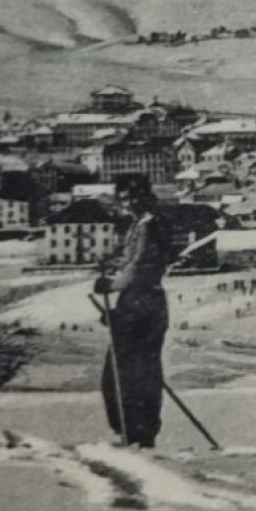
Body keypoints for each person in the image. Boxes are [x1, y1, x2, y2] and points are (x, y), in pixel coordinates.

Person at [95, 174, 173, 448]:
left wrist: (112, 285)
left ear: (146, 195)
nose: (131, 202)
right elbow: (130, 265)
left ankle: (138, 433)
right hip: (137, 303)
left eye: (135, 196)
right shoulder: (139, 225)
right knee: (128, 371)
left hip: (144, 303)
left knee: (128, 372)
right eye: (126, 198)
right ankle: (133, 431)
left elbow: (140, 269)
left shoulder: (151, 225)